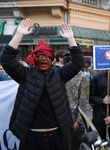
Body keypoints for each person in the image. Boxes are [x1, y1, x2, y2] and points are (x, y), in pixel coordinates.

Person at [0, 18, 84, 150]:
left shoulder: (60, 74)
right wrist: (19, 34)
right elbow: (6, 59)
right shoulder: (25, 75)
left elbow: (77, 63)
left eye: (47, 56)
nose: (43, 58)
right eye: (39, 55)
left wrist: (71, 39)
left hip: (57, 138)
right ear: (34, 59)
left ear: (52, 59)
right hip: (31, 139)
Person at [55, 51, 92, 150]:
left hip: (74, 119)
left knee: (74, 146)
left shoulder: (82, 77)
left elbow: (84, 101)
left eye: (71, 57)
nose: (68, 59)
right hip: (58, 118)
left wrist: (79, 121)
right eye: (66, 57)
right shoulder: (57, 73)